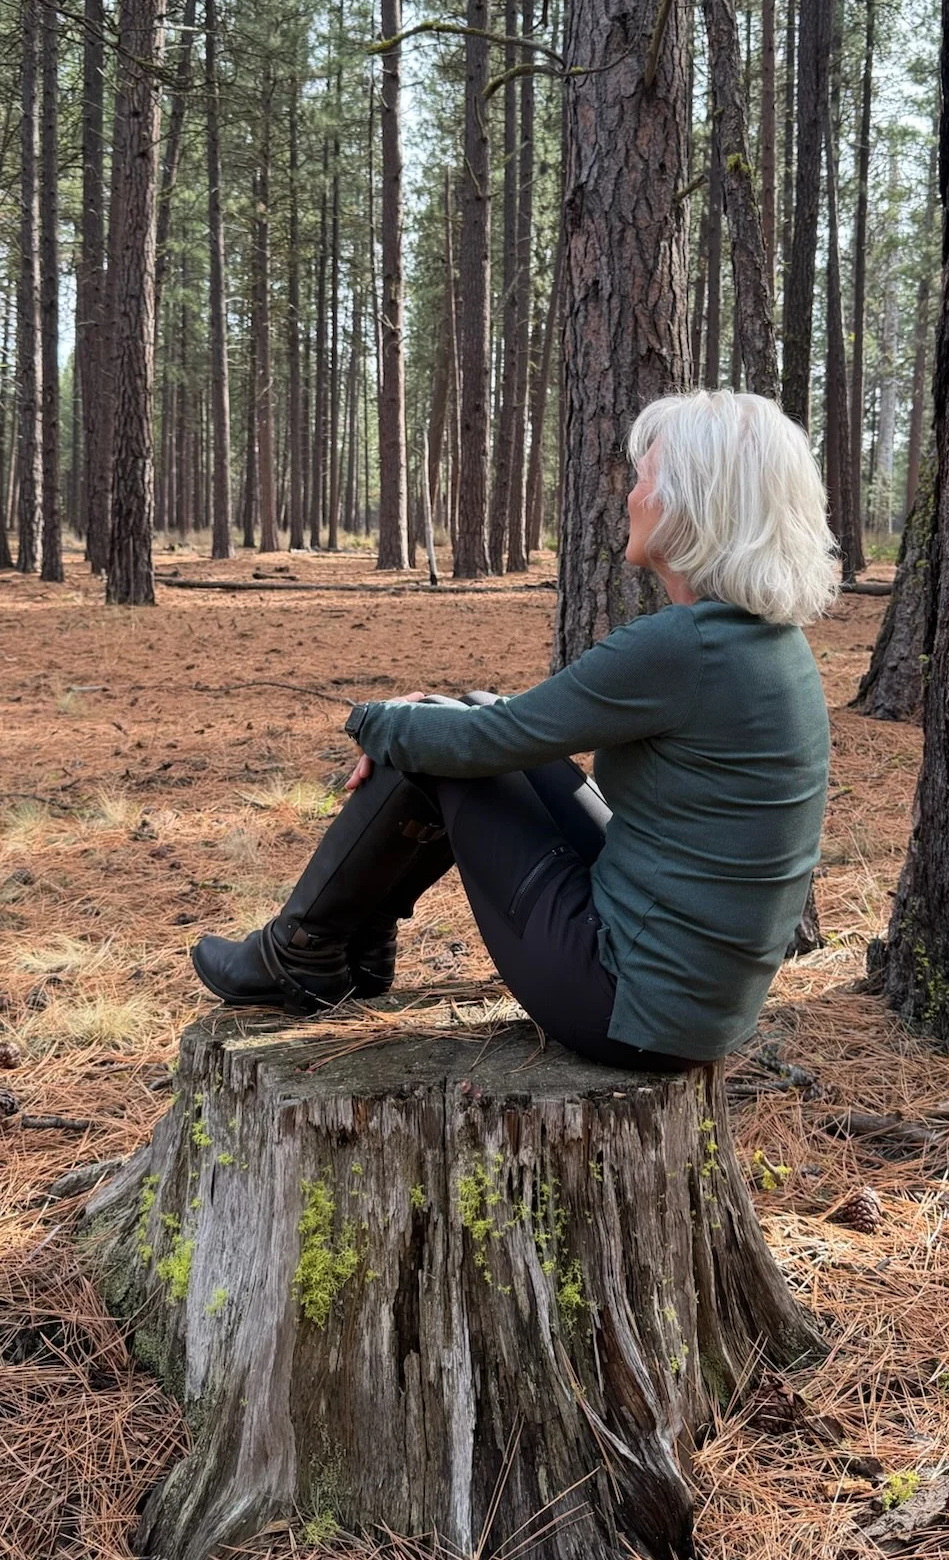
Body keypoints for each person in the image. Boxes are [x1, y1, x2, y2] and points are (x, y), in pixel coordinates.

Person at [191, 390, 837, 1070]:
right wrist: (428, 721)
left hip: (626, 1006)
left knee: (448, 737)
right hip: (693, 1003)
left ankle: (299, 950)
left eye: (644, 477)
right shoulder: (761, 640)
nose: (631, 496)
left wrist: (370, 720)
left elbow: (479, 745)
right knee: (460, 714)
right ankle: (350, 942)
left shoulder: (685, 647)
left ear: (688, 499)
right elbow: (503, 725)